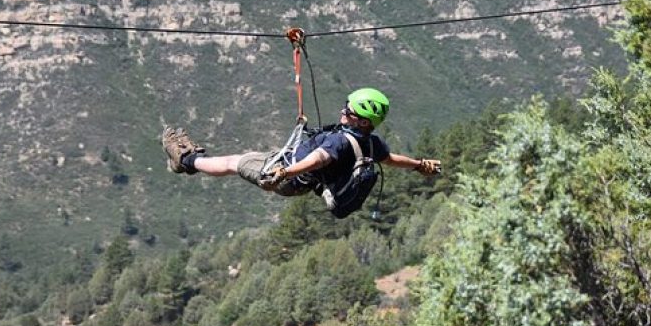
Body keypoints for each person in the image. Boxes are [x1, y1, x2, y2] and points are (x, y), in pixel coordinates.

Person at [161, 88, 441, 207]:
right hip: (290, 170)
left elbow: (318, 159)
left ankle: (185, 159)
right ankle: (188, 160)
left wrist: (286, 172)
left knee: (235, 162)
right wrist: (418, 164)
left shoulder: (339, 142)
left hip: (284, 175)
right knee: (239, 160)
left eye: (350, 111)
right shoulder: (371, 142)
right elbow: (391, 159)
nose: (343, 112)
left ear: (364, 121)